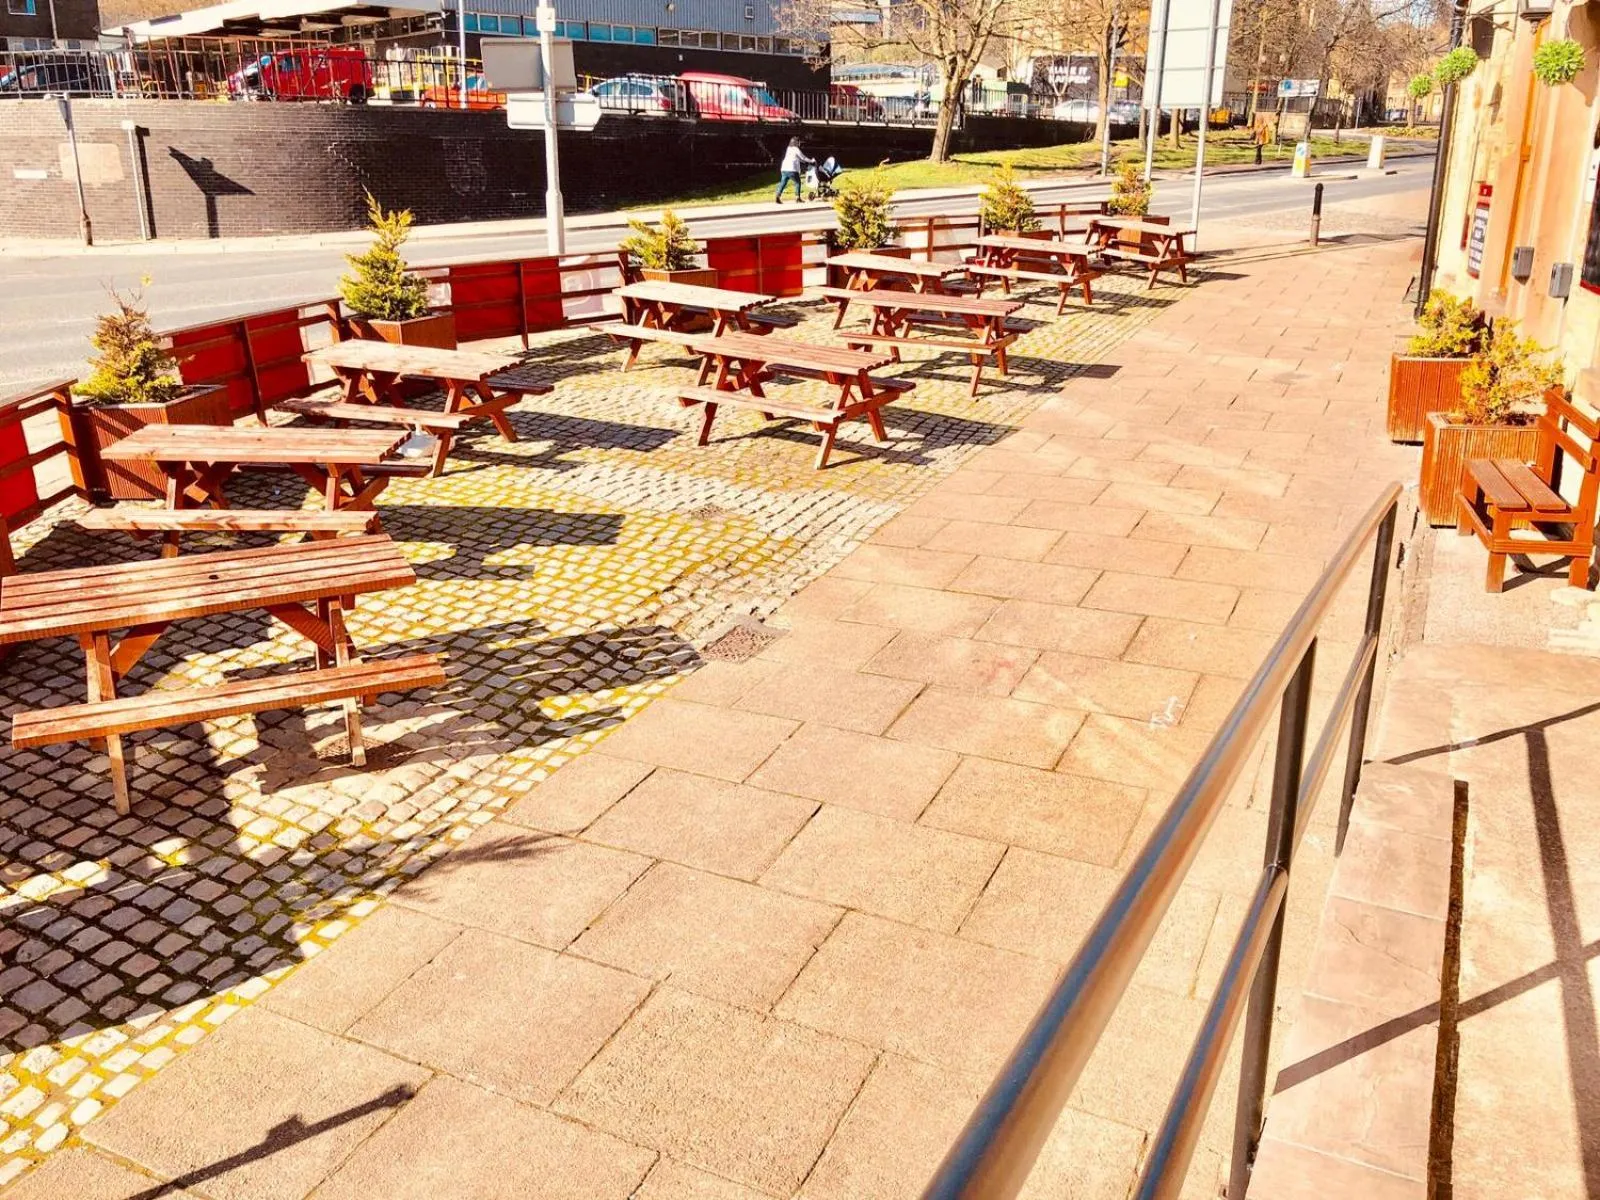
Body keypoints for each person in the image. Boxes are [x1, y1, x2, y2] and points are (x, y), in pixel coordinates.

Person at [775, 138, 813, 204]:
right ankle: (797, 198)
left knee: (783, 183)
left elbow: (798, 158)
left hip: (784, 168)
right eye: (799, 142)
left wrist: (804, 161)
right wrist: (811, 161)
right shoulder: (796, 149)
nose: (799, 143)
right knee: (798, 182)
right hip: (792, 169)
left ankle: (778, 196)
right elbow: (803, 157)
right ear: (796, 142)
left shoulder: (788, 148)